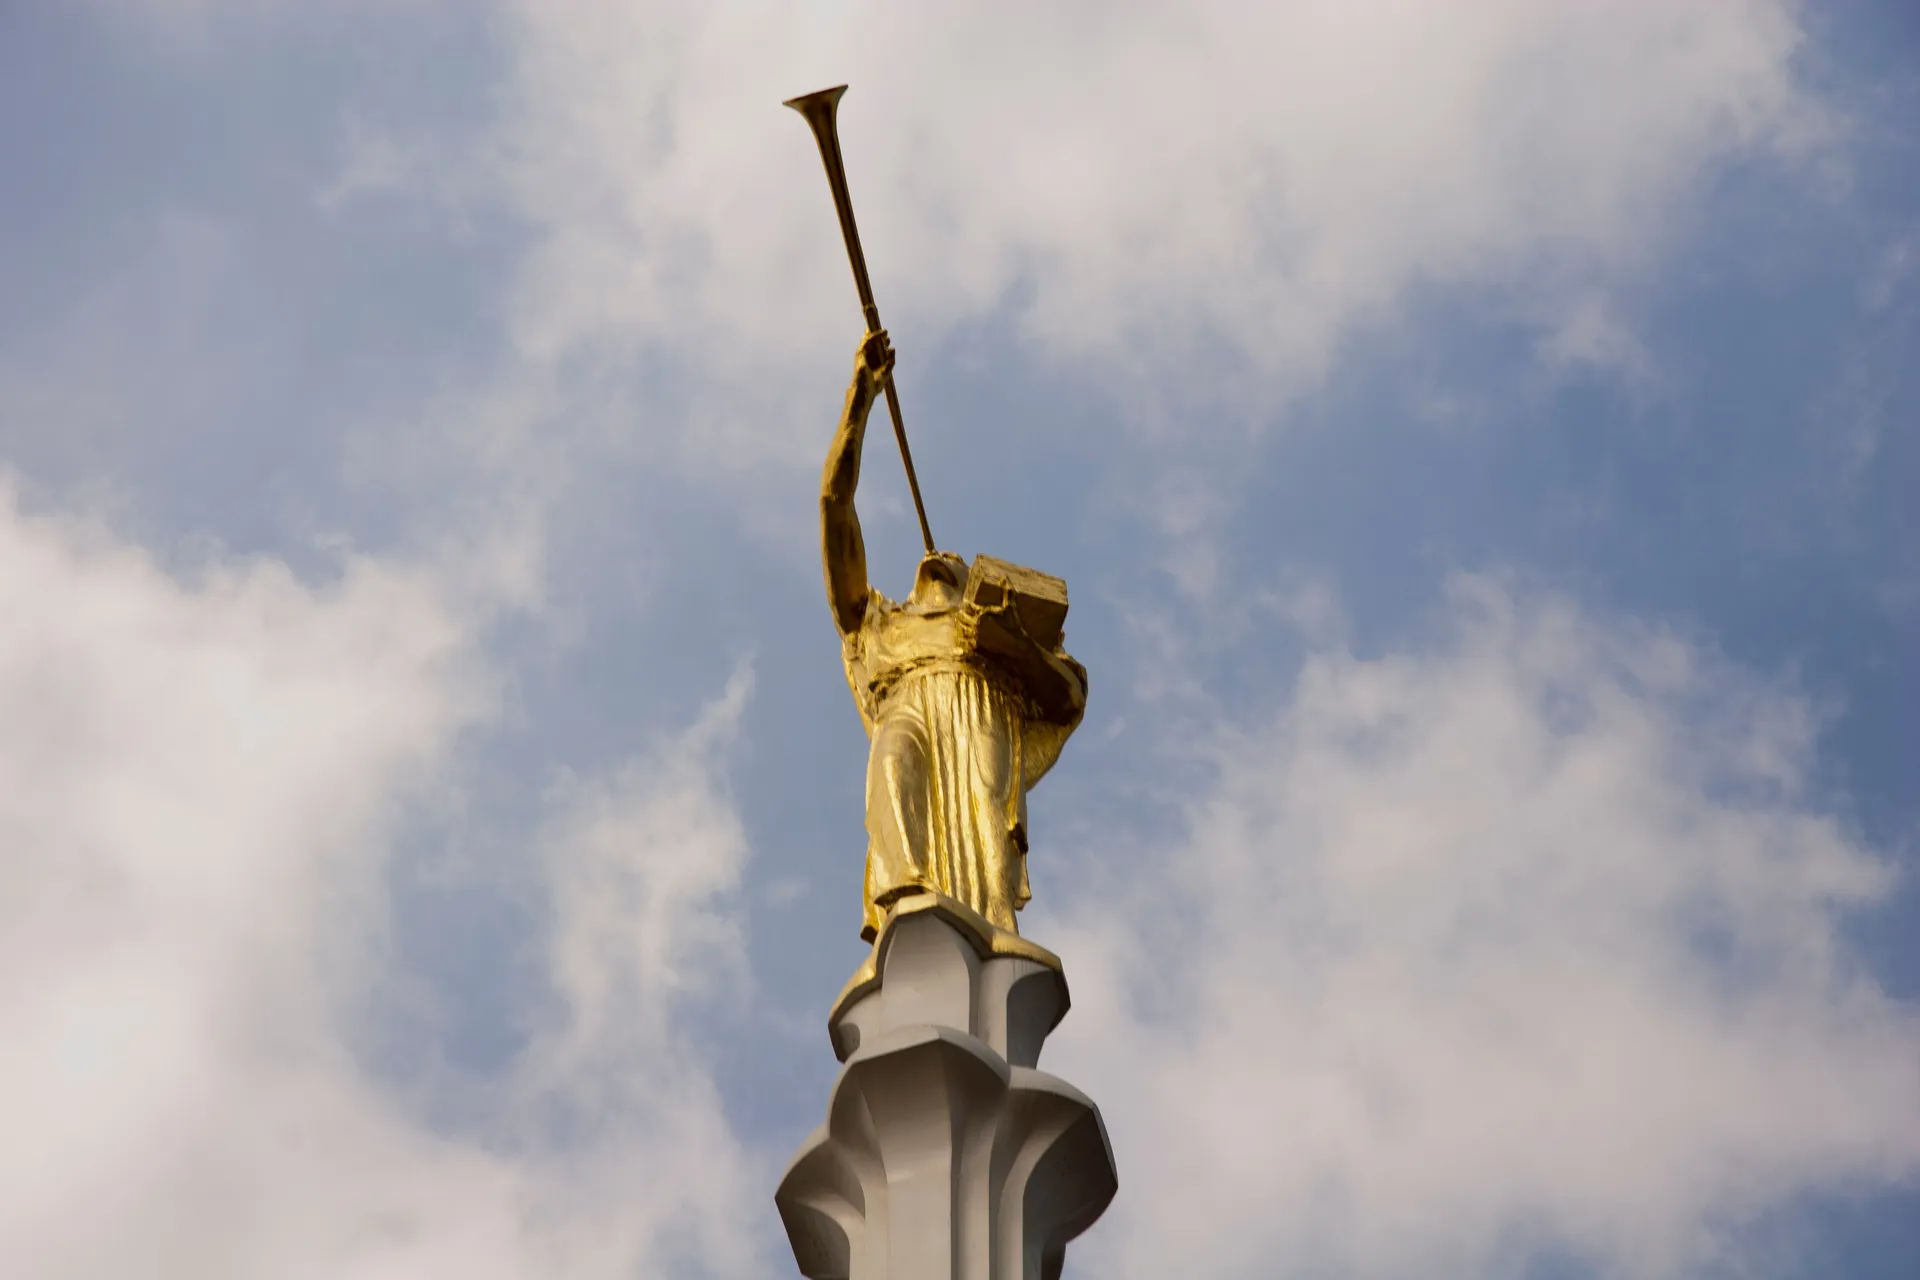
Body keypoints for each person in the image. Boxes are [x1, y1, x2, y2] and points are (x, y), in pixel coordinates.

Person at [821, 330, 1088, 943]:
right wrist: (860, 398)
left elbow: (1069, 694)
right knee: (893, 758)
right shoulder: (877, 627)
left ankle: (991, 941)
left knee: (988, 857)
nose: (941, 554)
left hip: (982, 722)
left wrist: (1006, 637)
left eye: (958, 561)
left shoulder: (991, 645)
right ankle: (907, 905)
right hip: (909, 704)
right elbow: (835, 504)